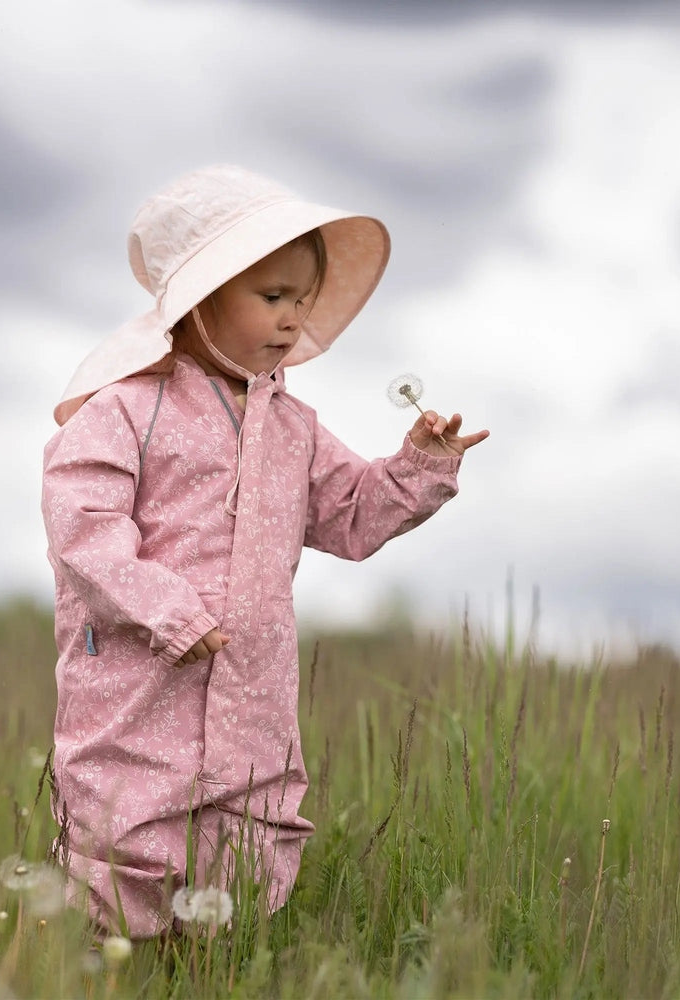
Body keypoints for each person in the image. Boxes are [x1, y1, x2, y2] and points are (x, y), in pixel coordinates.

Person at [41, 164, 489, 939]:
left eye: (302, 300)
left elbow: (352, 515)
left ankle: (211, 974)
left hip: (252, 690)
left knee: (240, 853)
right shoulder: (126, 409)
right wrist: (169, 610)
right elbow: (84, 525)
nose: (291, 319)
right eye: (272, 297)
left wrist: (419, 465)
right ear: (201, 301)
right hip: (141, 686)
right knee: (124, 854)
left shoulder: (293, 427)